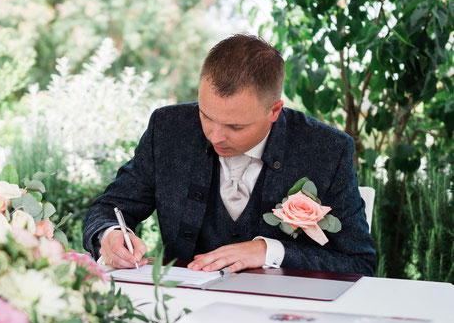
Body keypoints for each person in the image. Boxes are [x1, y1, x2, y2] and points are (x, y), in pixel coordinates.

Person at [83, 34, 377, 276]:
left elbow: (359, 263)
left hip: (283, 318)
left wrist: (269, 250)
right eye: (206, 115)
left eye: (235, 126)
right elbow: (109, 208)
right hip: (181, 309)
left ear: (274, 110)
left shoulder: (326, 150)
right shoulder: (168, 129)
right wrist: (109, 235)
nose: (215, 135)